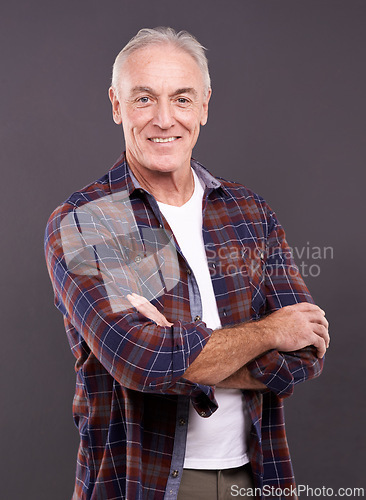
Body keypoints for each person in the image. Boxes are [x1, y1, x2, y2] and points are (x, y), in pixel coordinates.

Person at [44, 27, 329, 500]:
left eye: (181, 98)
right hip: (142, 484)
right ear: (116, 105)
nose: (163, 119)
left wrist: (185, 352)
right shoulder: (87, 222)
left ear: (204, 106)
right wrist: (268, 331)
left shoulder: (248, 212)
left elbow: (308, 346)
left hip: (256, 476)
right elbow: (141, 360)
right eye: (143, 99)